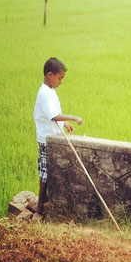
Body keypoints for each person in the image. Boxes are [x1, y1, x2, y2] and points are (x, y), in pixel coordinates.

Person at [34, 57, 83, 214]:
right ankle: (40, 205)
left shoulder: (50, 91)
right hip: (46, 140)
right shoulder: (45, 94)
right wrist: (73, 118)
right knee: (45, 173)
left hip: (53, 137)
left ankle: (46, 200)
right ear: (50, 75)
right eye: (60, 78)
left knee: (51, 171)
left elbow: (54, 115)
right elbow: (53, 116)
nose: (61, 81)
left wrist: (65, 124)